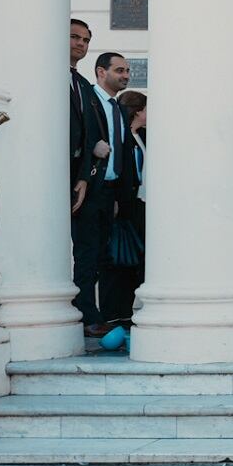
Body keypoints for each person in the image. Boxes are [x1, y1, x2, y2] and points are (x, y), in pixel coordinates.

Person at [98, 89, 149, 352]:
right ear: (139, 111)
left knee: (135, 260)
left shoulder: (141, 137)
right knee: (118, 259)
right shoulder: (120, 138)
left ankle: (125, 311)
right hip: (124, 207)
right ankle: (112, 313)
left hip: (141, 206)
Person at [91, 51, 136, 333]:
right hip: (91, 188)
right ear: (101, 72)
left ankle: (104, 314)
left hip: (112, 192)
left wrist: (120, 196)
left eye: (127, 71)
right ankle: (89, 315)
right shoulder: (90, 100)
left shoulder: (117, 108)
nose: (126, 76)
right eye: (119, 70)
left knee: (105, 257)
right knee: (89, 254)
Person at [67, 19, 106, 335]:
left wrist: (82, 178)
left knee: (86, 251)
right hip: (51, 177)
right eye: (74, 37)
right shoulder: (47, 77)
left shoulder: (81, 85)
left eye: (86, 39)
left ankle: (86, 313)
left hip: (81, 182)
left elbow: (89, 134)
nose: (81, 43)